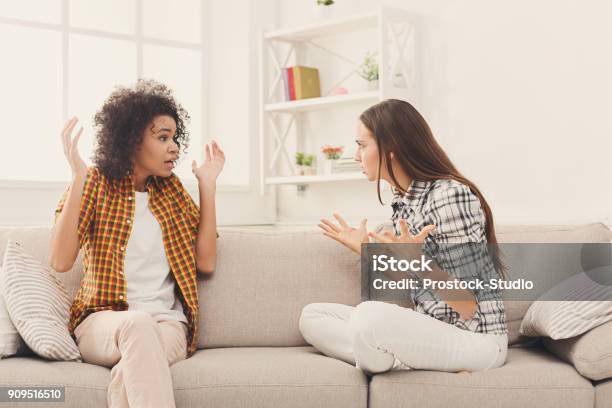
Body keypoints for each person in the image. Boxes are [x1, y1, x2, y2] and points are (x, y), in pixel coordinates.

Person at [48, 79, 224, 407]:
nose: (174, 147)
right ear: (131, 140)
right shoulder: (96, 183)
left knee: (129, 371)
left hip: (168, 327)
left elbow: (206, 263)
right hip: (101, 323)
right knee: (136, 326)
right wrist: (78, 178)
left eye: (174, 137)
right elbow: (60, 261)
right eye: (162, 138)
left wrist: (208, 187)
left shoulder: (172, 192)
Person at [300, 99, 508, 375]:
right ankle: (391, 358)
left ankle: (383, 357)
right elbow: (415, 282)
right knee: (313, 316)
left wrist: (417, 260)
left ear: (390, 149)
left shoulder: (449, 196)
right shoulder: (404, 200)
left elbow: (468, 304)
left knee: (368, 317)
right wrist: (365, 249)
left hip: (476, 339)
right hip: (432, 328)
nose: (355, 155)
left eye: (362, 145)